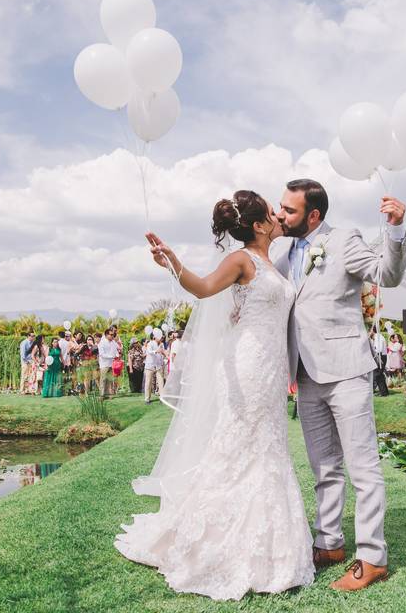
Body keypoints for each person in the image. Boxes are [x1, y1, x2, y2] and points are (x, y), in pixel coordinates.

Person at [117, 188, 315, 600]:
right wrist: (173, 263)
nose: (279, 216)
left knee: (268, 448)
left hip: (272, 369)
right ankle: (211, 541)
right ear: (259, 225)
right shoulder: (240, 260)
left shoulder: (273, 264)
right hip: (245, 367)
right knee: (238, 447)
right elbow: (205, 288)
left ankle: (271, 547)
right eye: (271, 213)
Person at [271, 179, 406, 590]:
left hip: (347, 370)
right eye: (280, 207)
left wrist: (396, 230)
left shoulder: (344, 239)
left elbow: (387, 274)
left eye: (289, 211)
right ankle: (328, 542)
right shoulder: (282, 252)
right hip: (306, 375)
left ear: (313, 215)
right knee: (323, 466)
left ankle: (373, 557)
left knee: (363, 469)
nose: (281, 215)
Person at [143, 335, 167, 404]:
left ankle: (162, 398)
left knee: (161, 382)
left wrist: (164, 356)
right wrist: (157, 351)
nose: (161, 338)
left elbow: (162, 353)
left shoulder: (162, 344)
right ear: (155, 337)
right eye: (159, 337)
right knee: (148, 383)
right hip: (150, 366)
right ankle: (147, 399)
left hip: (159, 365)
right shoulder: (150, 343)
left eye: (161, 337)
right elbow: (150, 352)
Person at [98, 328, 119, 398]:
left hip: (111, 364)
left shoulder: (113, 342)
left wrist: (117, 356)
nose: (113, 336)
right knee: (103, 380)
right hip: (104, 364)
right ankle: (102, 395)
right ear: (106, 335)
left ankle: (108, 394)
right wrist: (112, 356)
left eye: (113, 335)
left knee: (109, 380)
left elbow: (117, 350)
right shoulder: (102, 343)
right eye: (111, 335)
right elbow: (102, 354)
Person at [368, 327, 388, 396]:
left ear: (372, 331)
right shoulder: (376, 337)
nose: (368, 334)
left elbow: (378, 349)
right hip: (380, 356)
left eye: (368, 331)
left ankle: (383, 392)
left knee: (377, 375)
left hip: (380, 356)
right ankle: (384, 392)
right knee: (380, 375)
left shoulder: (378, 337)